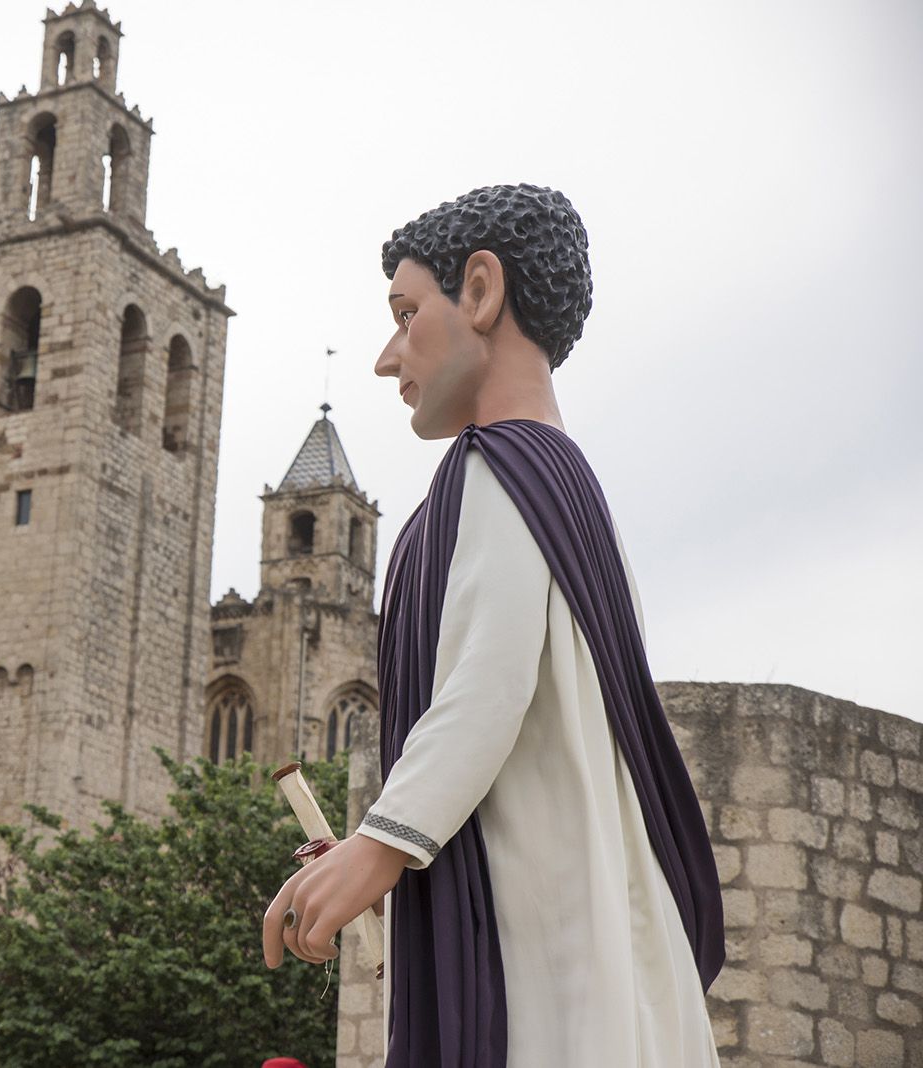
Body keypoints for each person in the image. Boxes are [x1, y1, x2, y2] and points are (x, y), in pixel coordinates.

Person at [261, 185, 724, 1066]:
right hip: (573, 914)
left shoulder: (500, 468)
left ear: (480, 291)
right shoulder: (567, 488)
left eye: (405, 313)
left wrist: (379, 847)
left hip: (551, 953)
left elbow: (486, 690)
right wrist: (384, 845)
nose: (386, 355)